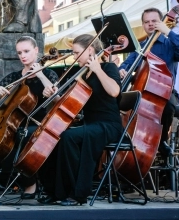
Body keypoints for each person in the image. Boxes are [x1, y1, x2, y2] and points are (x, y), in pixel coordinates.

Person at [37, 34, 123, 206]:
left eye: (76, 52)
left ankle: (77, 194)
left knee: (69, 138)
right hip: (90, 124)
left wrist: (98, 70)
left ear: (90, 50)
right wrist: (53, 95)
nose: (74, 56)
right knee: (56, 137)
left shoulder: (107, 68)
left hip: (108, 125)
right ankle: (55, 191)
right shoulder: (81, 74)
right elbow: (69, 103)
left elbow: (114, 91)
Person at [0, 36, 59, 199]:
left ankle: (30, 184)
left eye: (26, 51)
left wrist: (40, 74)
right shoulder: (14, 77)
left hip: (37, 122)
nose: (23, 56)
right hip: (12, 121)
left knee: (19, 137)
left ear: (36, 50)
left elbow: (56, 97)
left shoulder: (49, 74)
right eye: (19, 52)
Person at [118, 7, 179, 161]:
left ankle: (161, 140)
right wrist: (121, 71)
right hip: (141, 91)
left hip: (164, 92)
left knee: (169, 105)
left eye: (154, 21)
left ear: (162, 22)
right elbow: (127, 64)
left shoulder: (169, 43)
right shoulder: (139, 48)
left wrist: (168, 31)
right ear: (143, 25)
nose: (150, 24)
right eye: (147, 22)